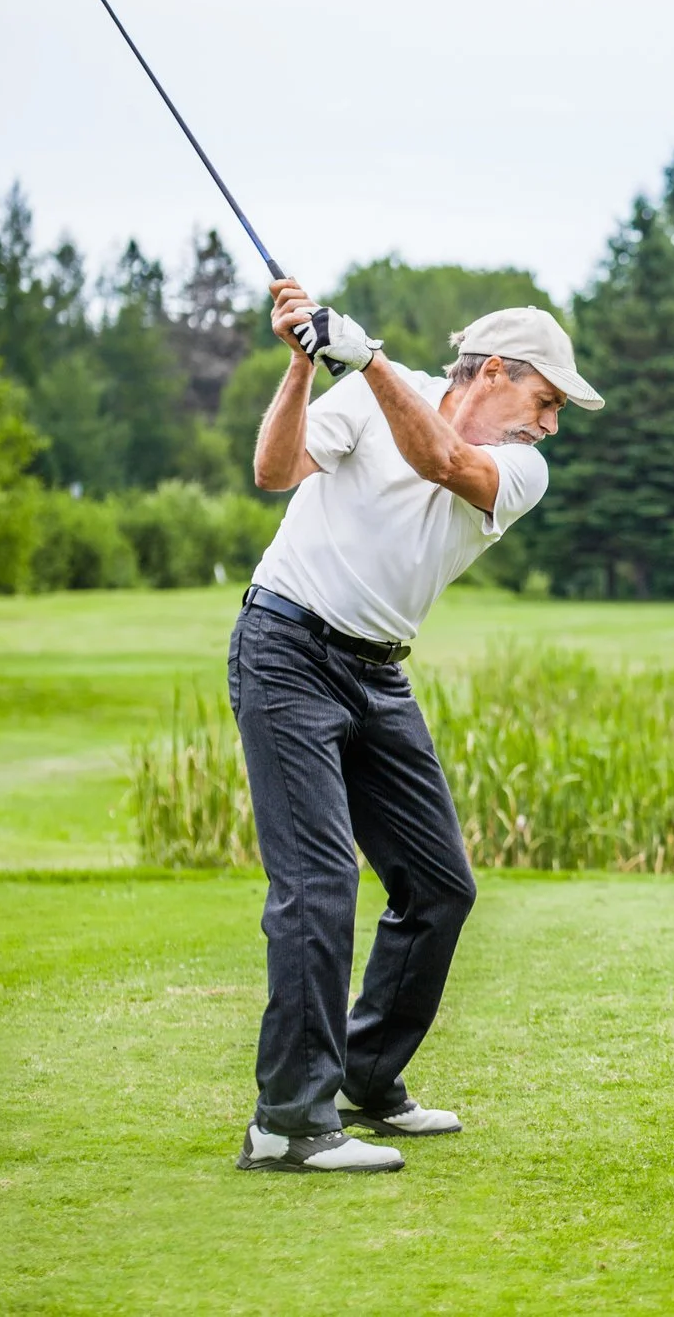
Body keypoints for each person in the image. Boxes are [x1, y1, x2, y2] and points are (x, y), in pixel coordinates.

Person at [230, 279, 602, 1173]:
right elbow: (274, 472)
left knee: (439, 887)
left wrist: (366, 358)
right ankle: (286, 1121)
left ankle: (366, 1076)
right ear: (499, 372)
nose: (549, 424)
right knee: (318, 887)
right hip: (286, 646)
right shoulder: (360, 391)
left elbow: (444, 463)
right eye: (545, 401)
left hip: (376, 673)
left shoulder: (521, 469)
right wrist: (301, 369)